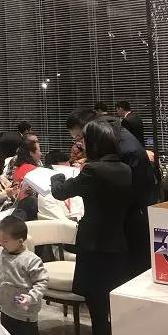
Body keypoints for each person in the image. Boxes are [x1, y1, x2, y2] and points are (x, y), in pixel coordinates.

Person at [51, 120, 133, 335]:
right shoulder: (125, 169)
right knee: (112, 298)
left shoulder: (92, 170)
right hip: (117, 241)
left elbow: (60, 192)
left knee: (96, 302)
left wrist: (57, 175)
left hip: (93, 245)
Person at [66, 108, 157, 278]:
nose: (80, 145)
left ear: (91, 129)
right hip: (119, 227)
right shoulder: (113, 139)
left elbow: (130, 193)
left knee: (119, 281)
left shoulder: (124, 149)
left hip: (125, 226)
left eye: (79, 139)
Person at [0, 216, 49, 335]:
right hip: (6, 309)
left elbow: (42, 282)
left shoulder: (31, 260)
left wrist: (31, 297)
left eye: (5, 241)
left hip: (25, 314)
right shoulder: (0, 252)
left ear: (20, 241)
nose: (1, 243)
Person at [37, 150, 84, 221]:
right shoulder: (45, 195)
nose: (69, 172)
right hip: (64, 226)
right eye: (65, 169)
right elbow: (62, 222)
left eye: (70, 168)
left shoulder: (73, 187)